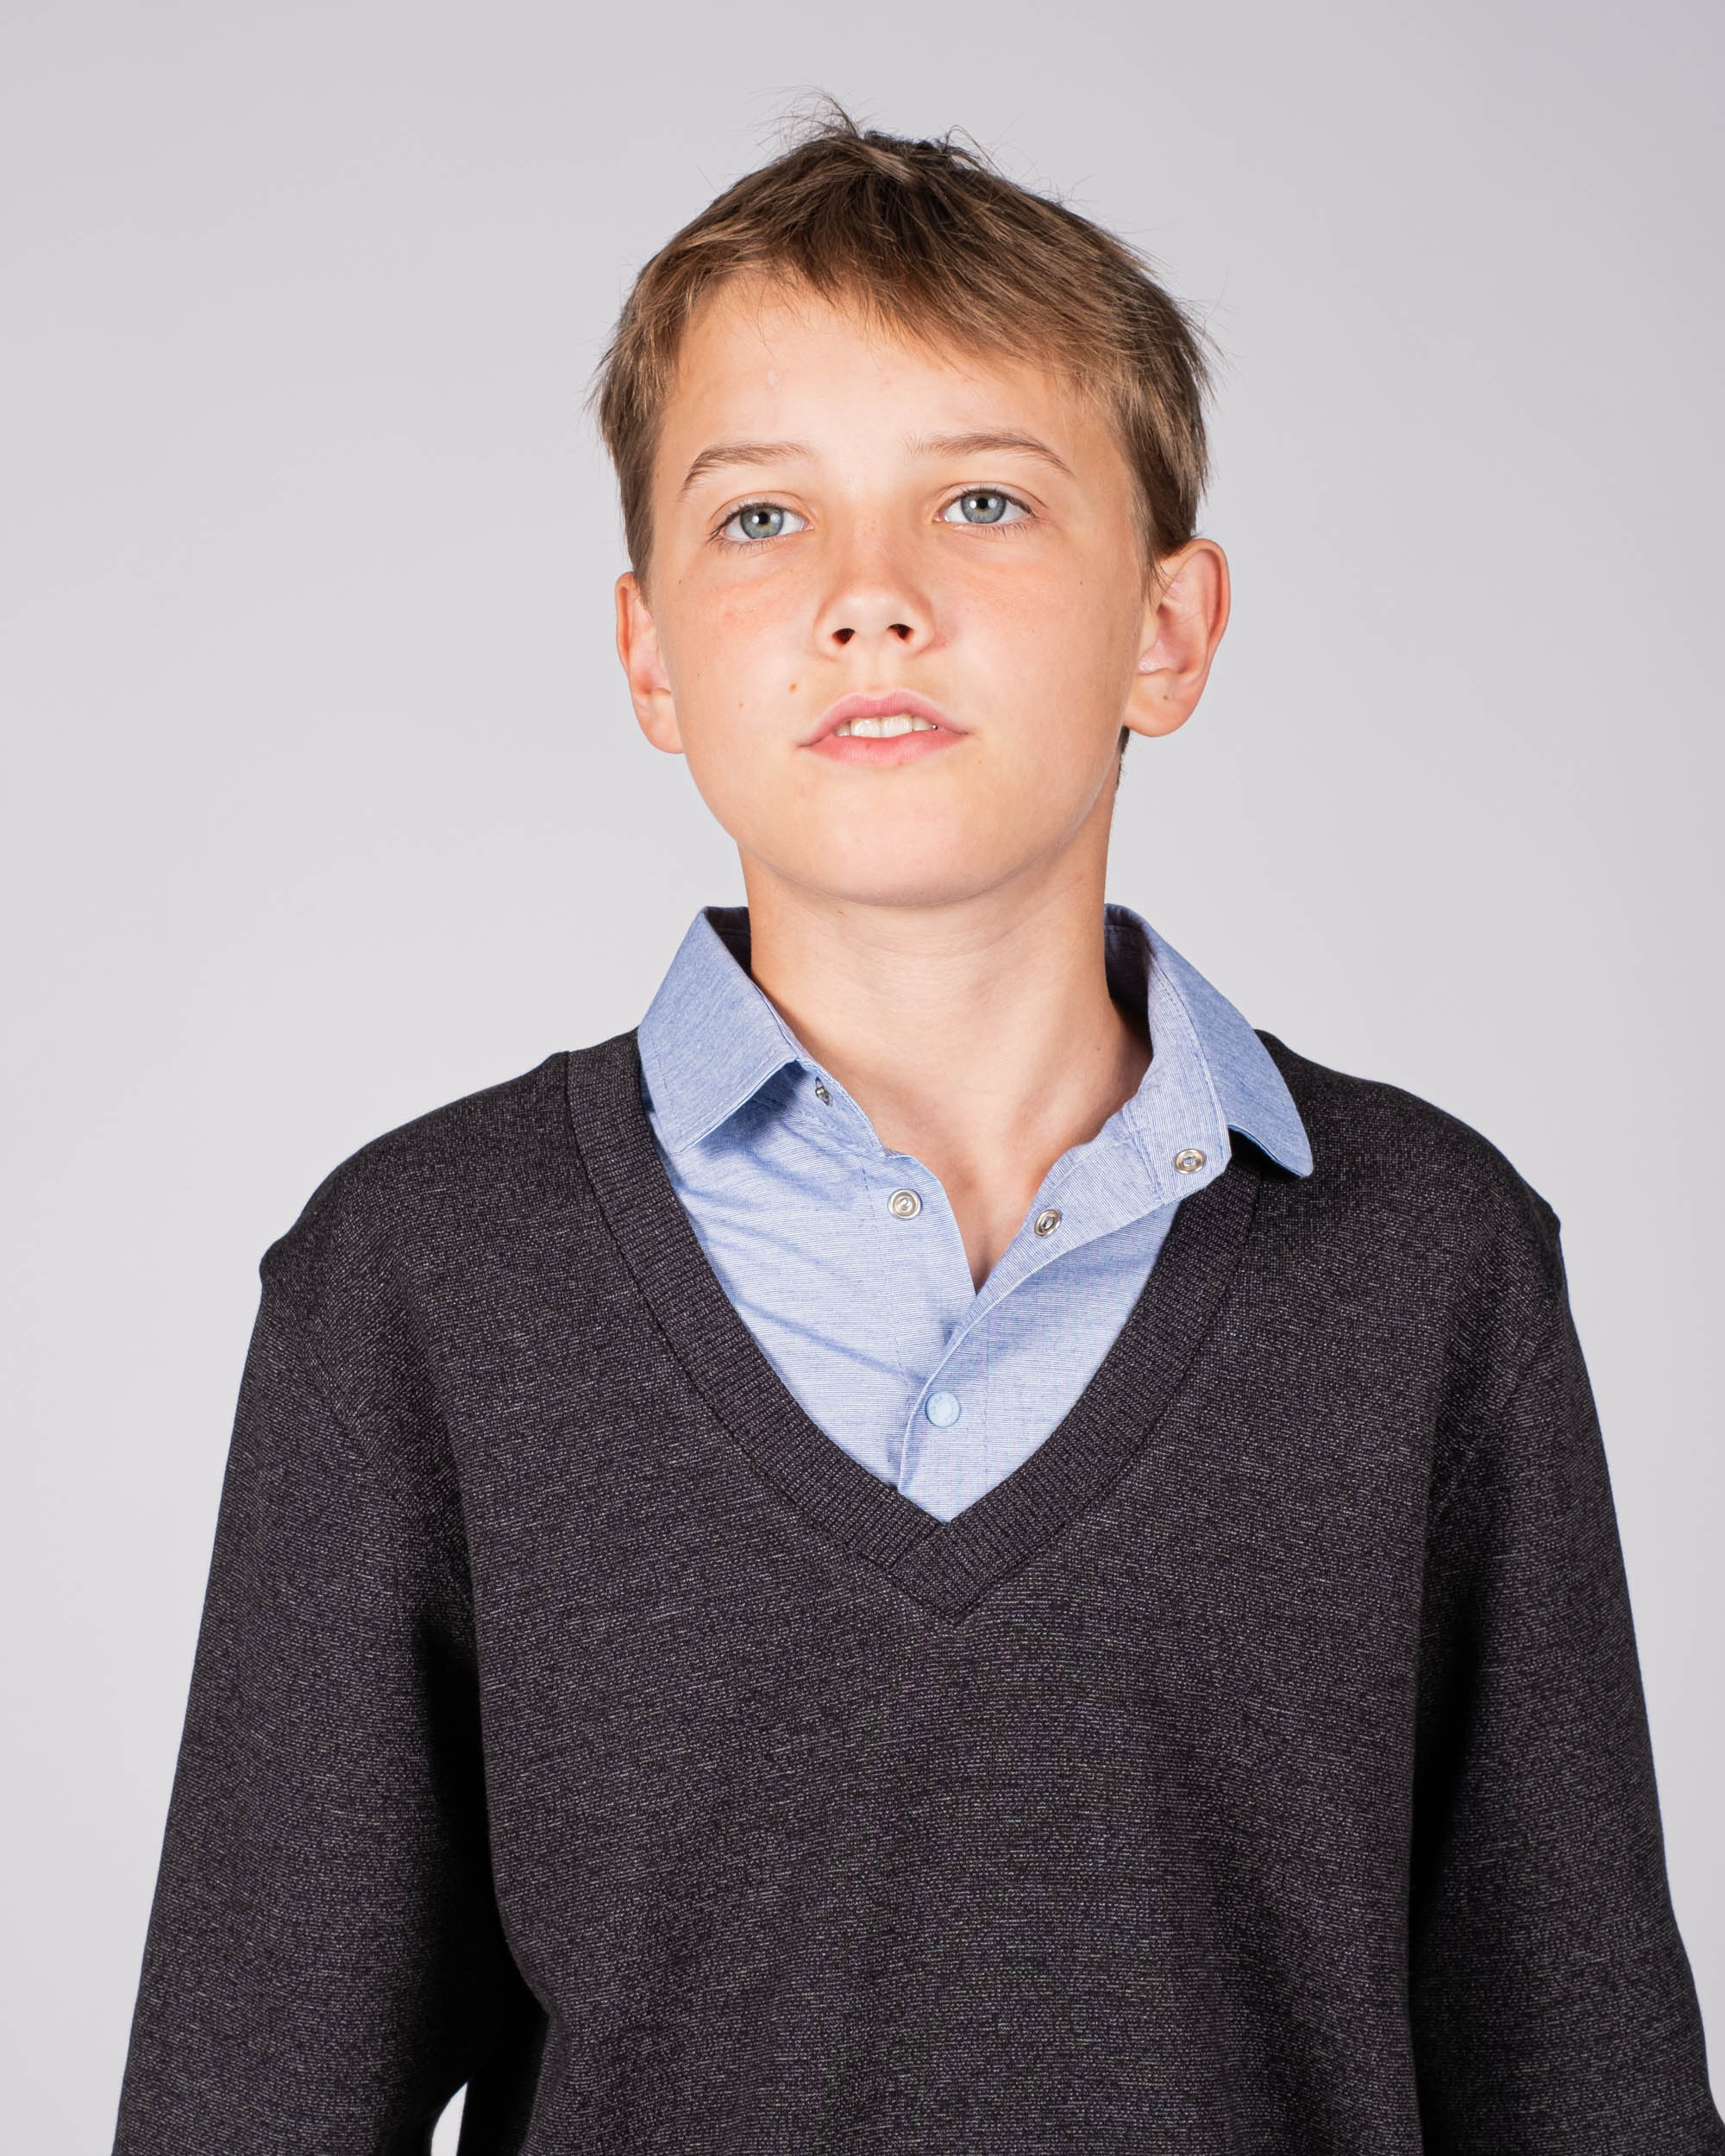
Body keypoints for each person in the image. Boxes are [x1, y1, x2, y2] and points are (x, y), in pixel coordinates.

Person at [112, 111, 1723, 2153]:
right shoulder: (418, 1282)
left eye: (981, 498)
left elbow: (1586, 2081)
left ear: (1167, 627)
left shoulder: (1428, 1264)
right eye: (760, 517)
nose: (869, 598)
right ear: (648, 655)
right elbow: (246, 2098)